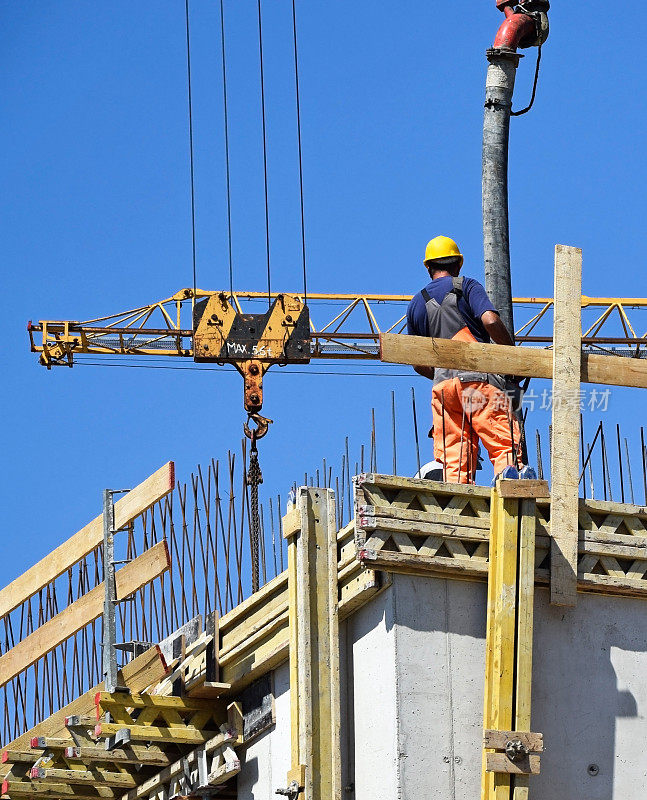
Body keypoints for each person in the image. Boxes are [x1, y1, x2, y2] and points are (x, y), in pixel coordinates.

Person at [407, 235, 535, 484]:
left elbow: (417, 361)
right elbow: (490, 320)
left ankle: (458, 500)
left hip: (443, 390)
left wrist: (443, 374)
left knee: (454, 457)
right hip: (478, 382)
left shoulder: (417, 303)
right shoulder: (466, 286)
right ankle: (509, 481)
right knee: (502, 441)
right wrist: (512, 360)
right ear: (459, 264)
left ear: (428, 267)